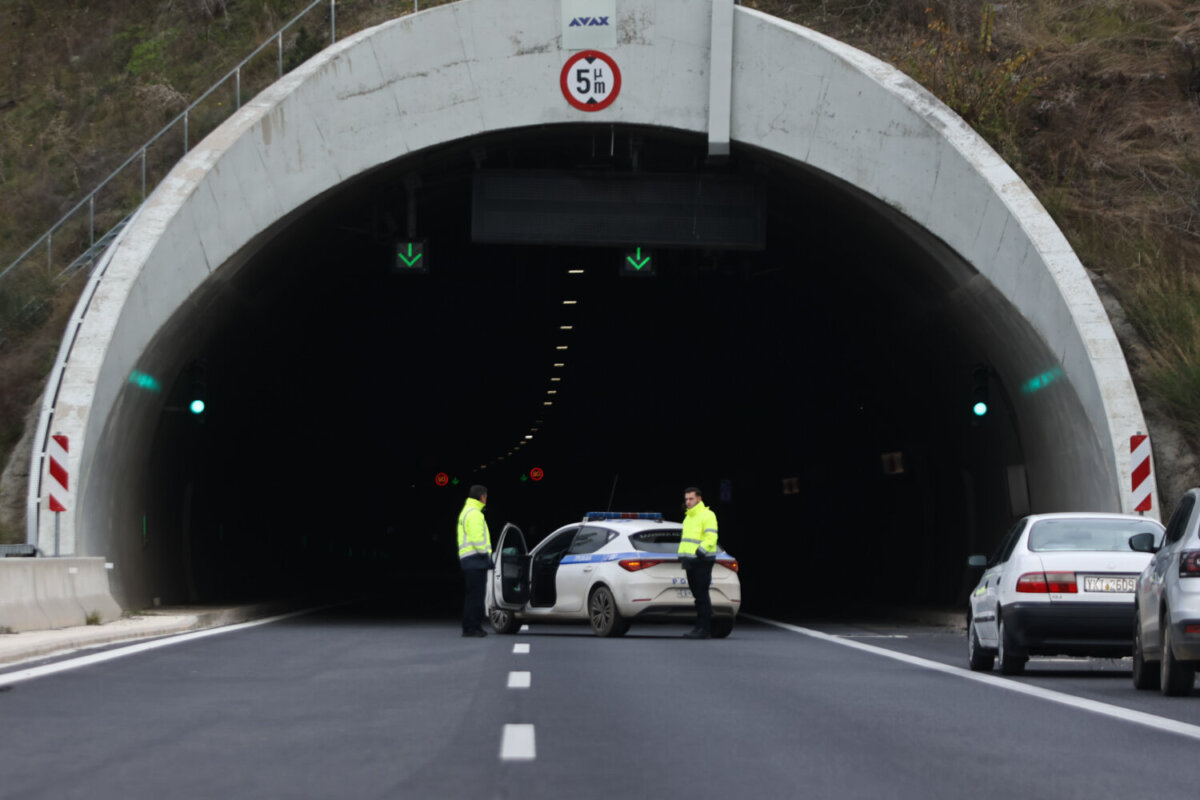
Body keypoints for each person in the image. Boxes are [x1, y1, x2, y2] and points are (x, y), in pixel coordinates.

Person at [678, 486, 719, 639]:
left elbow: (711, 537)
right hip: (690, 561)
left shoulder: (708, 515)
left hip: (702, 560)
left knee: (701, 594)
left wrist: (700, 552)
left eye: (691, 499)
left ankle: (704, 628)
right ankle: (700, 626)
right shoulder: (688, 517)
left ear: (699, 499)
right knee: (697, 595)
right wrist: (683, 556)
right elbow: (686, 540)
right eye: (686, 499)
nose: (688, 502)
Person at [457, 484, 492, 637]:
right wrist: (486, 554)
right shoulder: (475, 513)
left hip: (468, 559)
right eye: (486, 496)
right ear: (482, 497)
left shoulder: (467, 511)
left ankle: (469, 626)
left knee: (472, 595)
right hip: (476, 559)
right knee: (477, 595)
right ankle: (473, 627)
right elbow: (477, 538)